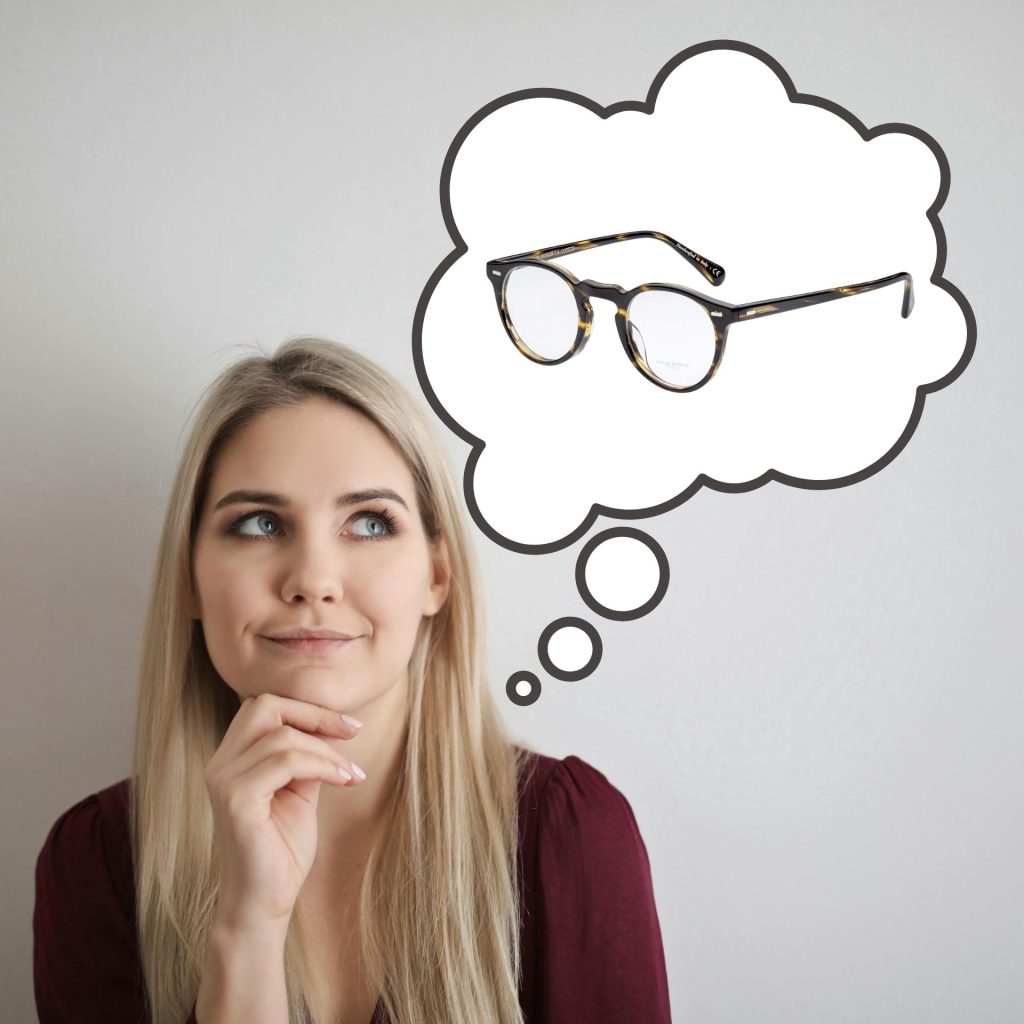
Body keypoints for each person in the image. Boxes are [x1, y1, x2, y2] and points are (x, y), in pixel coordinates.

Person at [32, 336, 672, 1024]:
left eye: (369, 523)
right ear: (189, 577)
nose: (313, 579)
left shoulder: (566, 835)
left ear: (437, 576)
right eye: (259, 524)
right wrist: (247, 929)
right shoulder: (98, 861)